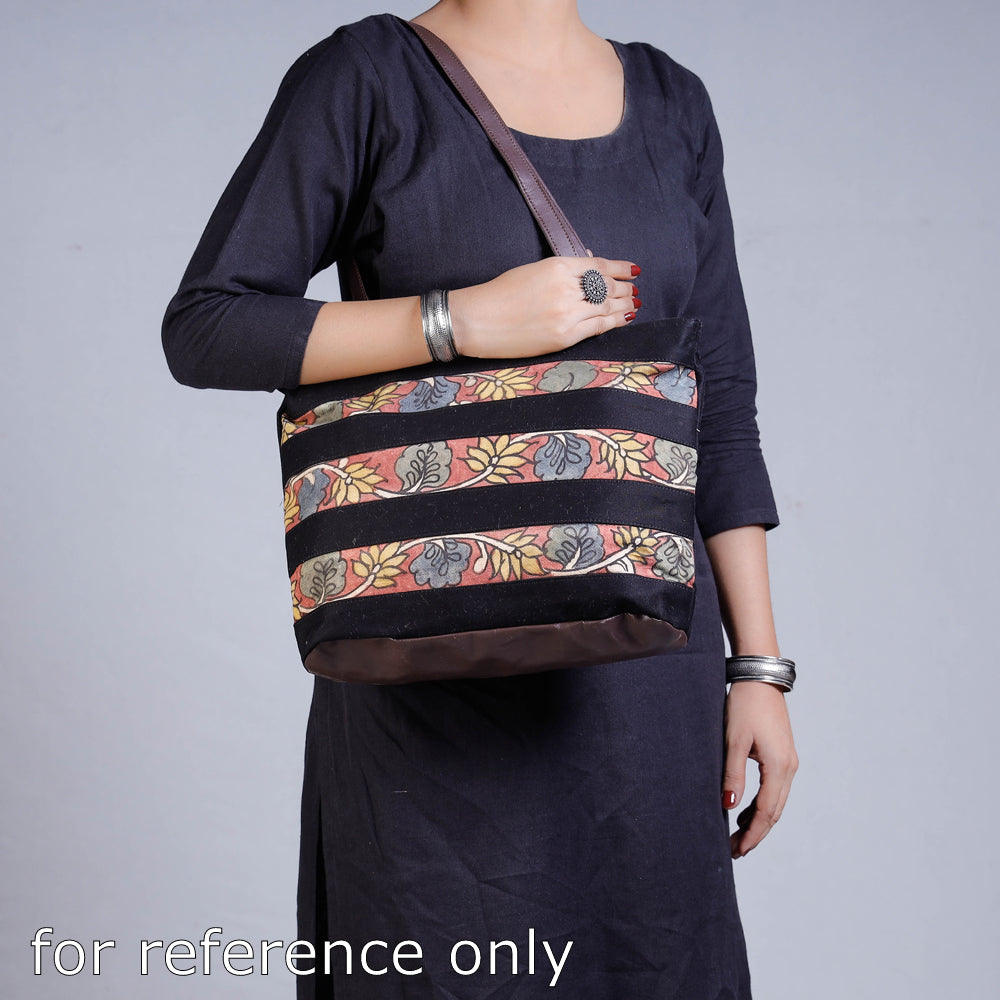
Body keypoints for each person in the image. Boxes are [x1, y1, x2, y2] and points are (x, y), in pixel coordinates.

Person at [162, 1, 798, 996]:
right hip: (436, 681)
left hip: (650, 685)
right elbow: (209, 327)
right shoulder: (368, 77)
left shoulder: (673, 102)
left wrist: (757, 668)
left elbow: (718, 406)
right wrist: (457, 320)